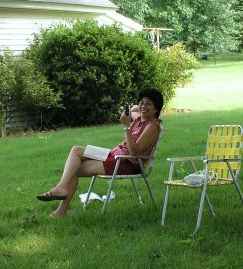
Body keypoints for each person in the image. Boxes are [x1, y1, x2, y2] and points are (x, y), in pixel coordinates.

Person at [37, 87, 164, 218]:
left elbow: (134, 152)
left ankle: (61, 210)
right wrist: (139, 106)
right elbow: (132, 109)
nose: (143, 106)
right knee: (76, 150)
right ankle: (61, 188)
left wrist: (126, 127)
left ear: (157, 108)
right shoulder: (139, 118)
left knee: (72, 170)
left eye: (149, 103)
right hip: (113, 154)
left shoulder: (152, 127)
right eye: (141, 102)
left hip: (125, 162)